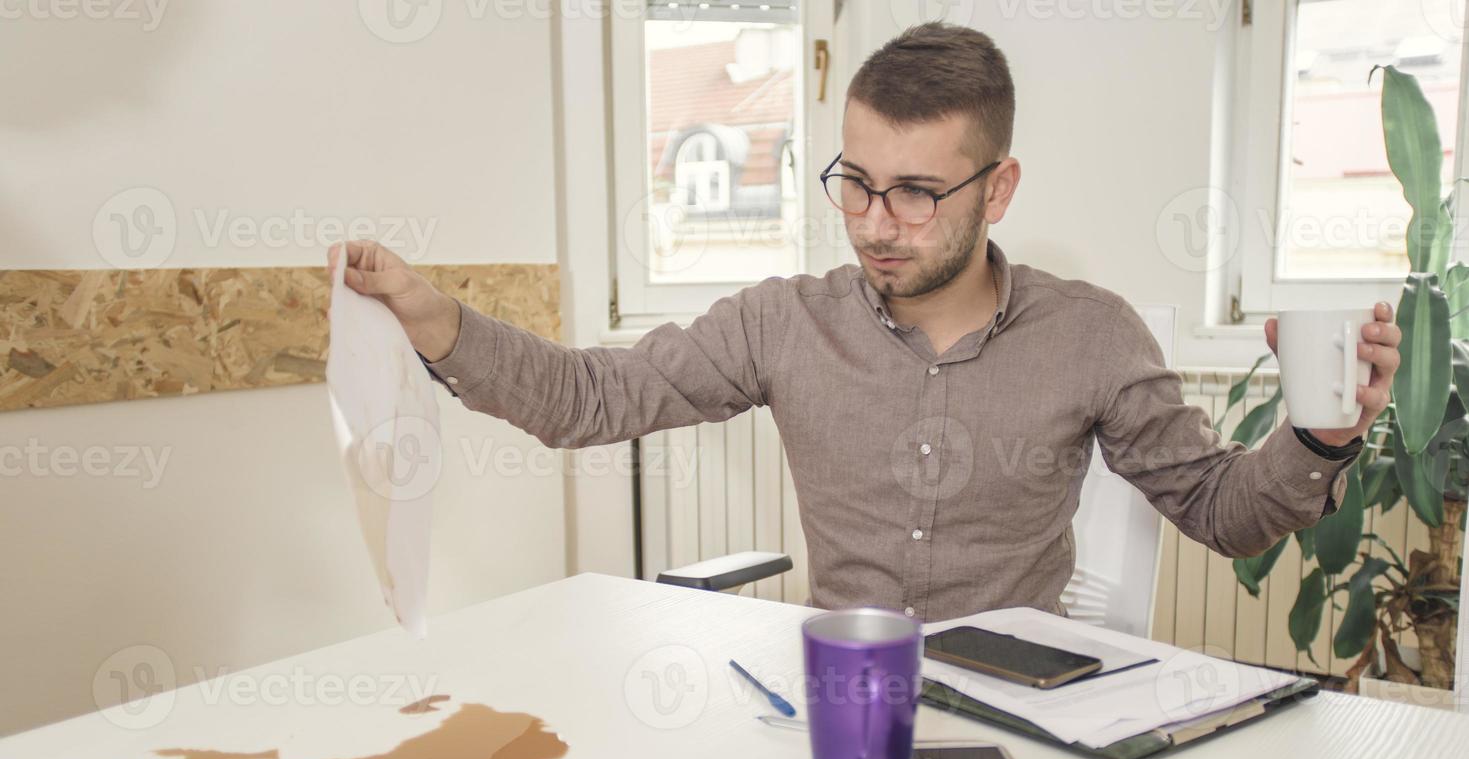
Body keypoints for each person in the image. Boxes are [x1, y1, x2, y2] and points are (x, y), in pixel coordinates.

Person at [328, 21, 1399, 623]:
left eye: (917, 192)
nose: (875, 225)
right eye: (856, 181)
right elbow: (590, 398)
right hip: (835, 692)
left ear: (999, 186)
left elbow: (1221, 510)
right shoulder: (782, 322)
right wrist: (436, 319)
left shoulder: (1092, 335)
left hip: (1017, 707)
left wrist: (1321, 436)